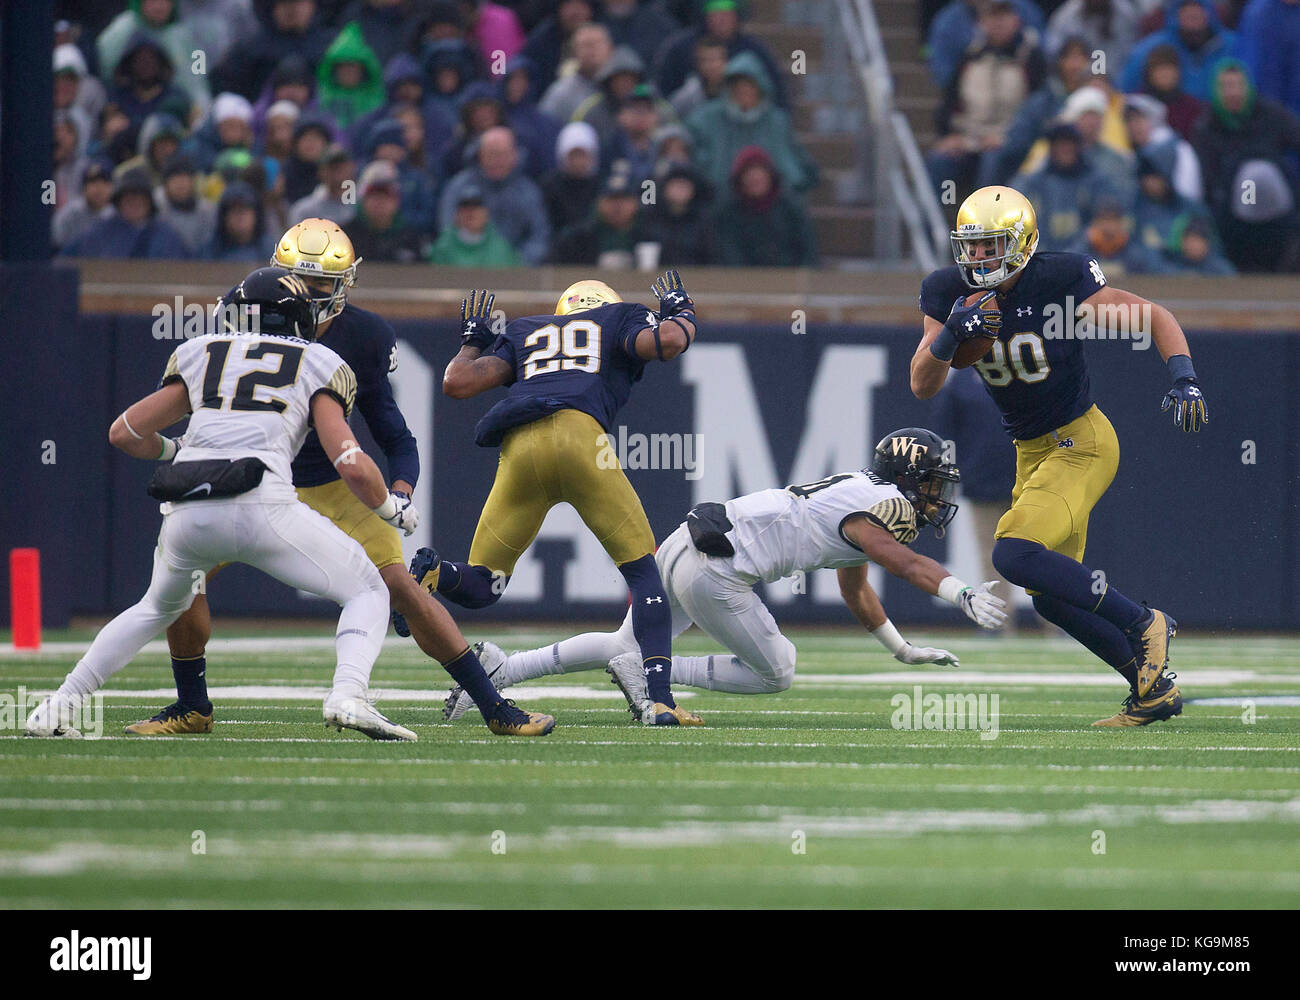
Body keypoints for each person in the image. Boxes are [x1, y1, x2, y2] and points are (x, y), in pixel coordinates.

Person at [127, 220, 555, 739]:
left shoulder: (365, 335)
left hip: (331, 482)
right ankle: (192, 706)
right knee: (180, 584)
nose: (308, 295)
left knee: (398, 583)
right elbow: (180, 399)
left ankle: (494, 707)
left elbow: (395, 435)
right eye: (298, 282)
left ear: (345, 284)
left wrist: (398, 493)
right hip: (246, 477)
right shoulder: (242, 315)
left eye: (322, 284)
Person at [27, 267, 412, 741]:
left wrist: (175, 449)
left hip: (188, 505)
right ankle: (348, 695)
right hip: (262, 505)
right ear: (299, 318)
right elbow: (350, 462)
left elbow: (124, 433)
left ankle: (59, 704)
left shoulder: (200, 352)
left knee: (154, 606)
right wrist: (392, 509)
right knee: (368, 590)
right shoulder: (318, 360)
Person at [441, 428, 1007, 722]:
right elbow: (900, 562)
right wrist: (958, 592)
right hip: (719, 568)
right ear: (907, 478)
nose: (937, 497)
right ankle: (645, 671)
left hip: (686, 543)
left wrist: (900, 648)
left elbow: (855, 585)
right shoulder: (884, 507)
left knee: (622, 641)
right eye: (932, 482)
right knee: (778, 671)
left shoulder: (862, 497)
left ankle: (502, 669)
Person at [911, 185, 1207, 726]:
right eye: (971, 246)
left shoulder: (1058, 280)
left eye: (991, 246)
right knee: (1049, 595)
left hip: (1081, 441)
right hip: (1031, 451)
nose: (978, 258)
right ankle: (1152, 692)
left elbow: (1153, 315)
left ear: (1021, 244)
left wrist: (1183, 377)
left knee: (1012, 554)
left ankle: (1145, 622)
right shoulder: (950, 292)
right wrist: (950, 335)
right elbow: (922, 384)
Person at [425, 274, 706, 725]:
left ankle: (433, 572)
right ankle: (659, 701)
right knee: (643, 573)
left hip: (519, 449)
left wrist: (473, 342)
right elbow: (669, 341)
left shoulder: (524, 331)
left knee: (482, 584)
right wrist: (684, 309)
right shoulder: (617, 318)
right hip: (579, 440)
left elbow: (458, 382)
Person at [437, 126, 552, 265]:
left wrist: (517, 263)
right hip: (465, 269)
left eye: (502, 155)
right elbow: (447, 230)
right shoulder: (459, 187)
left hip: (516, 273)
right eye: (491, 154)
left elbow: (539, 235)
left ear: (514, 156)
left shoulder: (527, 191)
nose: (497, 161)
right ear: (480, 155)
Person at [712, 145, 817, 267]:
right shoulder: (726, 214)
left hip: (789, 279)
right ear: (740, 179)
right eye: (749, 174)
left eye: (760, 173)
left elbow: (808, 252)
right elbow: (727, 253)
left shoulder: (791, 210)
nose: (755, 178)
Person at [1121, 0, 1239, 101]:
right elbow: (1127, 89)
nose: (1193, 23)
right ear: (1176, 16)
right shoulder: (1151, 48)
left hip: (1221, 121)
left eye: (1196, 16)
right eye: (1187, 16)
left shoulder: (1231, 45)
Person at [427, 184, 522, 266]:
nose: (470, 213)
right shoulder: (443, 248)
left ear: (486, 214)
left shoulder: (501, 249)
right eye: (465, 208)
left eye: (476, 208)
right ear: (456, 215)